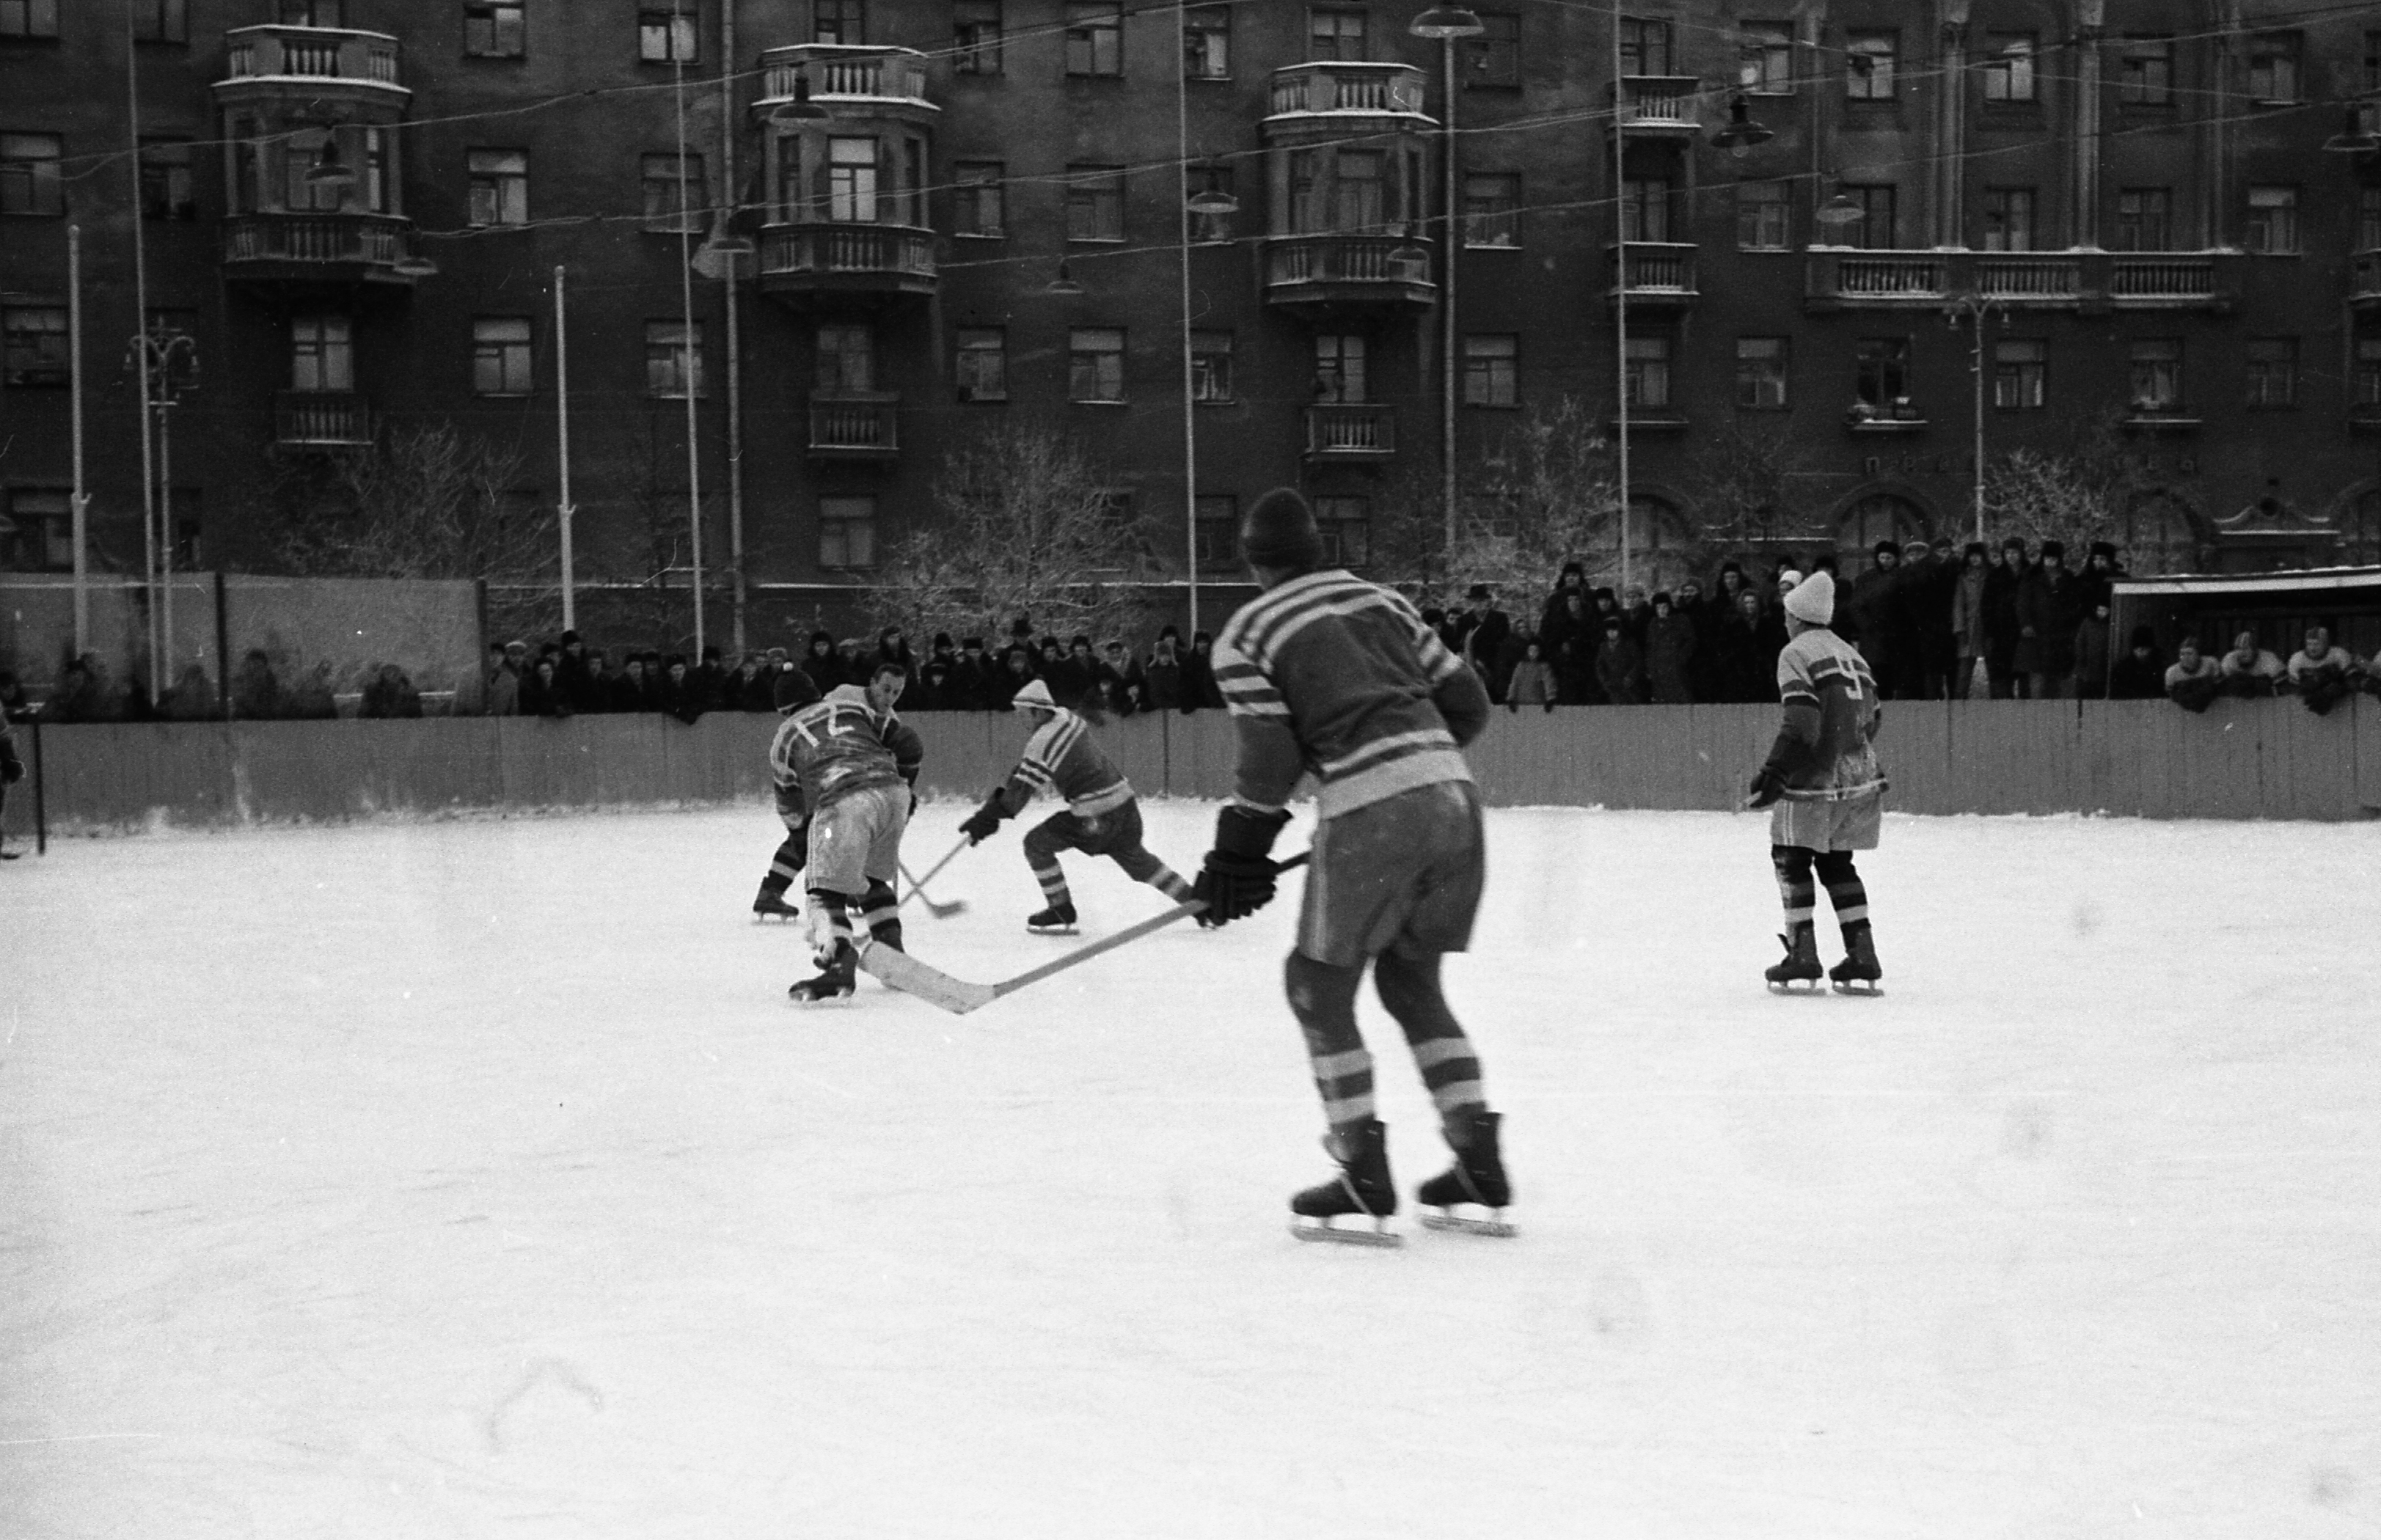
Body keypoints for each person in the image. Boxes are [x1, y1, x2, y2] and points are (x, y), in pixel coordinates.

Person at [1196, 487, 1508, 1243]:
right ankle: (1476, 1156)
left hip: (1374, 817)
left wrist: (1236, 856)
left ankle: (1361, 1169)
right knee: (1411, 980)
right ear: (1317, 549)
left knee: (1315, 985)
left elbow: (1268, 762)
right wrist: (1413, 773)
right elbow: (1468, 705)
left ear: (1253, 563)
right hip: (1456, 802)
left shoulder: (1246, 634)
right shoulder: (1382, 601)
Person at [1745, 570, 1888, 994]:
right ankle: (1862, 953)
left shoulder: (1795, 652)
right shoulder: (1852, 654)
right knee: (1837, 863)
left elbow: (1802, 722)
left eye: (1787, 615)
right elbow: (1874, 718)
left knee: (1790, 857)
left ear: (1797, 616)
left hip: (1814, 779)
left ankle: (1802, 954)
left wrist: (1775, 770)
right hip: (1860, 778)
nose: (1785, 622)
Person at [956, 678, 1193, 932]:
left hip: (1095, 816)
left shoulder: (1042, 741)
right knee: (1140, 863)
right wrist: (995, 808)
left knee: (1036, 844)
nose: (1020, 720)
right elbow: (1025, 774)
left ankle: (1061, 909)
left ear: (1038, 711)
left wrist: (986, 818)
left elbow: (1017, 795)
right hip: (1125, 805)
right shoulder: (1067, 718)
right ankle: (1196, 901)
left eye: (1023, 714)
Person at [770, 660, 924, 1003]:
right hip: (893, 794)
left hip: (843, 800)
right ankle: (891, 952)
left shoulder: (784, 739)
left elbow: (789, 804)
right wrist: (906, 783)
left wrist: (800, 833)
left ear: (782, 708)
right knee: (872, 879)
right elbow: (909, 742)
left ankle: (839, 960)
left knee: (824, 891)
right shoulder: (850, 708)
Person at [750, 667, 823, 922]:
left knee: (805, 841)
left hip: (798, 798)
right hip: (804, 798)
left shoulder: (790, 733)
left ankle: (770, 892)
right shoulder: (808, 730)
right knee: (819, 839)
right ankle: (854, 891)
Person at [1950, 543, 1991, 699]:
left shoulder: (1991, 575)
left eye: (1978, 556)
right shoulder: (1963, 577)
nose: (1974, 559)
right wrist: (1959, 628)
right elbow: (1958, 604)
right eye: (1972, 556)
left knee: (1994, 671)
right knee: (1964, 672)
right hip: (1969, 627)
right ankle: (1960, 704)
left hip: (1988, 626)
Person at [2286, 625, 2356, 714]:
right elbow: (2293, 689)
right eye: (2309, 644)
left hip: (2344, 706)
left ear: (2326, 644)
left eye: (2316, 644)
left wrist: (2338, 688)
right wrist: (2312, 688)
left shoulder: (2339, 654)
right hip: (2307, 706)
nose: (2312, 648)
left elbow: (2353, 681)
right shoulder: (2297, 659)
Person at [2218, 628, 2284, 697]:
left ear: (2255, 650)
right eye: (2238, 648)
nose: (2242, 652)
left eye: (2246, 648)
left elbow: (2282, 690)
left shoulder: (2269, 660)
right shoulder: (2229, 660)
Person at [2165, 637, 2223, 712]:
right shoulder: (2172, 672)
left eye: (2189, 654)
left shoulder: (2211, 663)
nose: (2185, 658)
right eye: (2182, 654)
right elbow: (2170, 696)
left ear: (2198, 654)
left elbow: (2219, 685)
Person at [2108, 626, 2167, 700]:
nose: (2141, 651)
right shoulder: (2122, 669)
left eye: (2145, 648)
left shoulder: (2160, 667)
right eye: (2137, 648)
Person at [1504, 638, 1557, 711]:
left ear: (1540, 652)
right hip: (1521, 703)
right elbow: (1515, 682)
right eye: (1530, 650)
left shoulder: (1544, 667)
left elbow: (1549, 683)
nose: (1533, 653)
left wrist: (1550, 699)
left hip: (1537, 704)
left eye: (1535, 651)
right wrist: (1511, 698)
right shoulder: (1521, 665)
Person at [485, 644, 521, 716]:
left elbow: (514, 707)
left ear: (504, 657)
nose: (495, 657)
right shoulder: (476, 676)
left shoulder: (511, 680)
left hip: (500, 720)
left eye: (498, 654)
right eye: (492, 653)